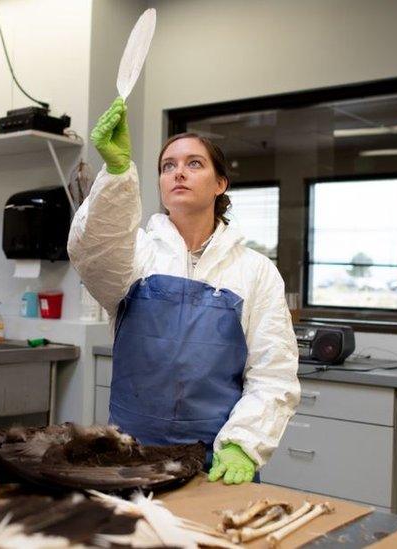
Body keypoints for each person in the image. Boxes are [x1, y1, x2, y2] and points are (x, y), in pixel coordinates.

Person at [68, 97, 300, 485]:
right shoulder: (135, 254)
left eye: (194, 163)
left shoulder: (255, 271)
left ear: (220, 183)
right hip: (130, 455)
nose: (179, 173)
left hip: (216, 461)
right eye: (167, 166)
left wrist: (244, 443)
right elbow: (93, 251)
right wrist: (117, 172)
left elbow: (273, 372)